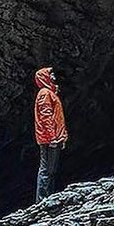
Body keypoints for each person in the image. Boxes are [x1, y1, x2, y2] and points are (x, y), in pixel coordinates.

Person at [33, 66, 68, 202]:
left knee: (51, 170)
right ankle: (42, 199)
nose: (53, 75)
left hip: (55, 137)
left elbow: (57, 118)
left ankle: (48, 197)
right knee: (46, 169)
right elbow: (45, 116)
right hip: (49, 139)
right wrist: (52, 138)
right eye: (50, 73)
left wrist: (62, 137)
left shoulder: (50, 93)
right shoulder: (44, 93)